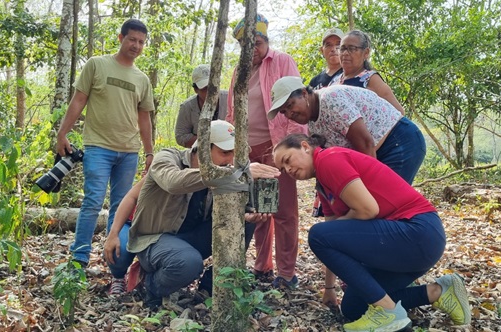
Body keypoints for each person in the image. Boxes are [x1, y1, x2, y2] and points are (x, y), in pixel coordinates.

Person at [273, 133, 471, 331]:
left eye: (287, 160)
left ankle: (388, 314)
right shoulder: (323, 187)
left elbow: (367, 210)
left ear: (305, 146)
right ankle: (440, 291)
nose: (288, 170)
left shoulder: (329, 159)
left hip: (418, 233)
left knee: (317, 234)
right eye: (283, 169)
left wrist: (336, 231)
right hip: (404, 246)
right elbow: (333, 234)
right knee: (354, 307)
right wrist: (329, 288)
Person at [126, 120, 281, 309]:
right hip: (155, 240)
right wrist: (233, 173)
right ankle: (152, 287)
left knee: (244, 222)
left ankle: (209, 288)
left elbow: (234, 208)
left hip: (191, 239)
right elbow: (173, 183)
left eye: (235, 153)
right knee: (188, 263)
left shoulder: (228, 173)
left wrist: (247, 216)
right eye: (225, 152)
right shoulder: (167, 157)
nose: (231, 160)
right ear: (204, 149)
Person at [55, 18, 155, 269]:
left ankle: (114, 263)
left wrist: (150, 152)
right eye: (132, 39)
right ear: (121, 38)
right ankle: (79, 258)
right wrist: (62, 134)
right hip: (98, 147)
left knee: (121, 206)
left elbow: (144, 117)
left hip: (129, 151)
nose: (136, 45)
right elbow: (78, 101)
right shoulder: (97, 65)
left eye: (141, 42)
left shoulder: (142, 79)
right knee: (93, 201)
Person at [227, 13, 307, 289]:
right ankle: (262, 267)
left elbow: (298, 105)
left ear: (266, 40)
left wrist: (296, 146)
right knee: (257, 210)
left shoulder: (282, 61)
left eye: (258, 43)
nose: (254, 50)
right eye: (247, 46)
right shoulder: (239, 71)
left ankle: (286, 273)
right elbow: (231, 112)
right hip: (247, 150)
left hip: (278, 147)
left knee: (284, 211)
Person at [267, 76, 425, 185]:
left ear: (303, 94)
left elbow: (365, 143)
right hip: (374, 153)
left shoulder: (331, 99)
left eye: (290, 105)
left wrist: (365, 189)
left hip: (399, 142)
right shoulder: (313, 126)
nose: (289, 114)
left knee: (385, 204)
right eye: (283, 112)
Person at [330, 30, 404, 114]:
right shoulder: (334, 81)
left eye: (352, 49)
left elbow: (398, 112)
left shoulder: (370, 79)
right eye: (342, 49)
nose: (345, 53)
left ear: (366, 53)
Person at [175, 64, 230, 148]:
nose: (211, 92)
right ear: (196, 89)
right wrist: (208, 141)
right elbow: (180, 136)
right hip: (199, 151)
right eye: (205, 89)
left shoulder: (230, 99)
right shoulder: (187, 107)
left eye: (214, 86)